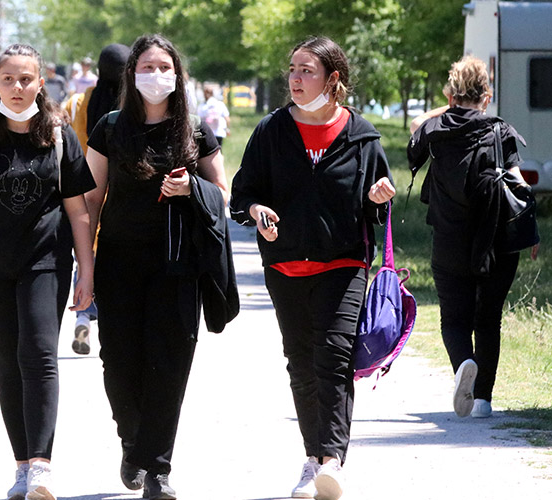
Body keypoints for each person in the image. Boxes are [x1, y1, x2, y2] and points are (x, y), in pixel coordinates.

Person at [229, 36, 395, 500]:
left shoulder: (362, 136)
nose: (296, 79)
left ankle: (331, 460)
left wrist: (378, 197)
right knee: (301, 365)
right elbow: (242, 196)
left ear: (333, 79)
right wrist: (257, 210)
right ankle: (312, 457)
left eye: (307, 71)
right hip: (285, 268)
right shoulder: (271, 131)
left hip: (342, 265)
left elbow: (376, 205)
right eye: (293, 70)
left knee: (334, 359)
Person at [0, 43, 95, 500]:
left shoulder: (59, 134)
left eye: (26, 78)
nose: (18, 86)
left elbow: (78, 210)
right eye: (9, 79)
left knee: (40, 354)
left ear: (41, 83)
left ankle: (43, 466)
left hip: (46, 260)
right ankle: (23, 465)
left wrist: (87, 270)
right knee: (8, 361)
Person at [85, 34, 231, 500]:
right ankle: (133, 443)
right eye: (146, 67)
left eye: (164, 67)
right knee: (119, 364)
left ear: (177, 74)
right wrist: (83, 269)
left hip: (178, 265)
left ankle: (158, 469)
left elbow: (223, 196)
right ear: (131, 74)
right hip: (119, 264)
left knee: (169, 366)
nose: (156, 75)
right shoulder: (109, 127)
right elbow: (89, 199)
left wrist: (193, 189)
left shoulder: (196, 131)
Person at [408, 55, 538, 420]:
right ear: (488, 95)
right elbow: (517, 182)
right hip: (496, 239)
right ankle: (482, 401)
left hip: (449, 240)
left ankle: (465, 362)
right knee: (488, 318)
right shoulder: (500, 130)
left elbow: (417, 123)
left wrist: (449, 104)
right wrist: (531, 231)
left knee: (453, 318)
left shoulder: (436, 131)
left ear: (451, 94)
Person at [68, 42, 130, 356]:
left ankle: (83, 311)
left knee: (85, 250)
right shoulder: (131, 105)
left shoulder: (79, 102)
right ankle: (106, 316)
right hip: (118, 188)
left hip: (81, 189)